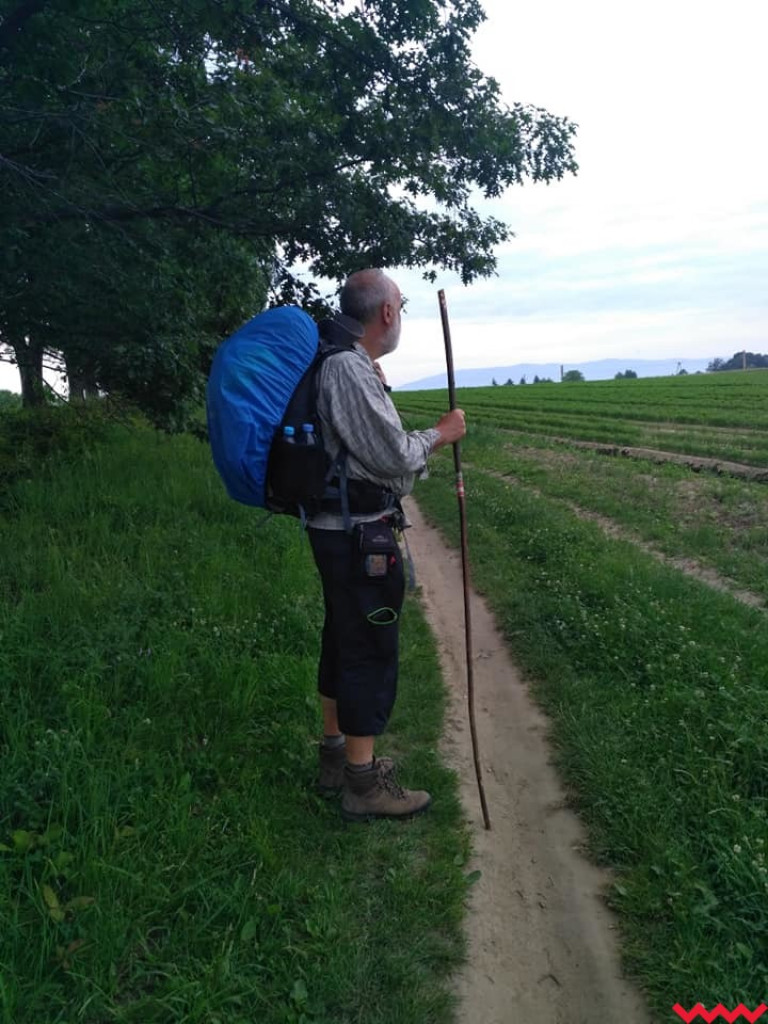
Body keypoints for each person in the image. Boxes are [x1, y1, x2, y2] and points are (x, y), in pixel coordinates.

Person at [307, 268, 466, 822]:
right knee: (368, 651)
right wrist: (441, 435)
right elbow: (396, 459)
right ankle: (362, 783)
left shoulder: (344, 361)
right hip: (357, 539)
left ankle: (336, 758)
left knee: (343, 640)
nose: (402, 312)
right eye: (403, 302)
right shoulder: (347, 367)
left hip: (338, 532)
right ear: (387, 313)